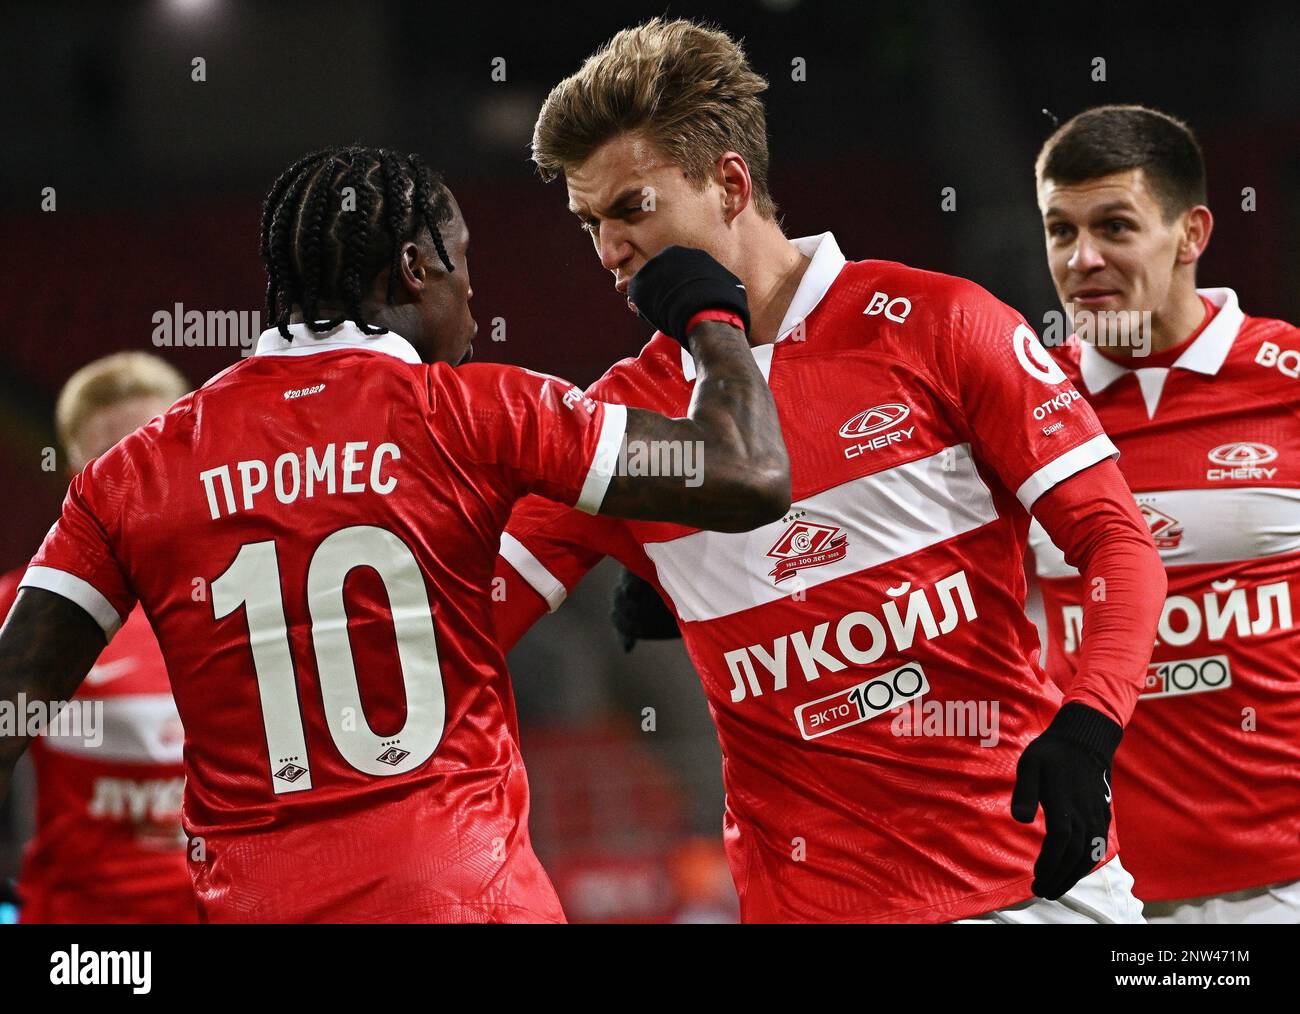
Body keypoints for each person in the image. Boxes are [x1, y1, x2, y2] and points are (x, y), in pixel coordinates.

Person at [0, 144, 790, 923]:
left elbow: (12, 702)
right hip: (467, 903)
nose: (475, 298)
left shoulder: (133, 474)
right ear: (415, 268)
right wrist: (711, 313)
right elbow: (748, 473)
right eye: (464, 264)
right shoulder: (477, 411)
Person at [492, 18, 1167, 923]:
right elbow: (455, 630)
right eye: (590, 223)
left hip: (1027, 888)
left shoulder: (941, 323)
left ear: (731, 182)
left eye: (632, 209)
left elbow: (1118, 541)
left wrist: (1089, 727)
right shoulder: (613, 426)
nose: (608, 250)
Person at [1026, 104, 1300, 923]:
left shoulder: (1288, 378)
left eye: (1114, 226)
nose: (1083, 260)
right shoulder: (1019, 403)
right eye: (1059, 230)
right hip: (1098, 887)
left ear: (1192, 233)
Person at [0, 352, 196, 923]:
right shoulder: (24, 609)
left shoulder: (259, 592)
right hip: (84, 935)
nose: (136, 479)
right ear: (73, 471)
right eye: (112, 460)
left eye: (153, 450)